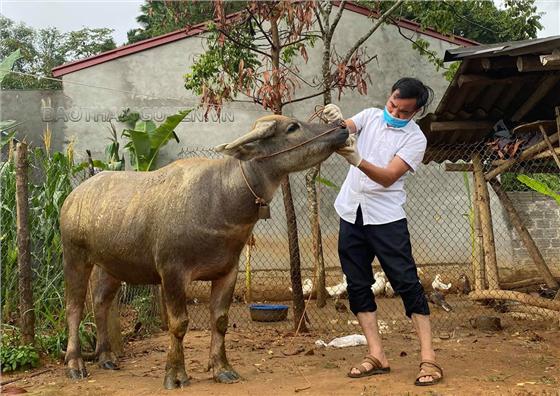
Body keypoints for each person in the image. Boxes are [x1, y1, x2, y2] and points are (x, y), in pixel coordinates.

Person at [323, 77, 443, 386]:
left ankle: (428, 358)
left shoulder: (415, 139)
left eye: (403, 111)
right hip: (351, 212)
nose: (395, 113)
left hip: (386, 219)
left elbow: (389, 177)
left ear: (414, 112)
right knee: (358, 285)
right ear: (388, 97)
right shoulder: (370, 116)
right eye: (392, 105)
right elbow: (342, 130)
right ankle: (376, 355)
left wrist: (357, 160)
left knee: (407, 283)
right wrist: (336, 123)